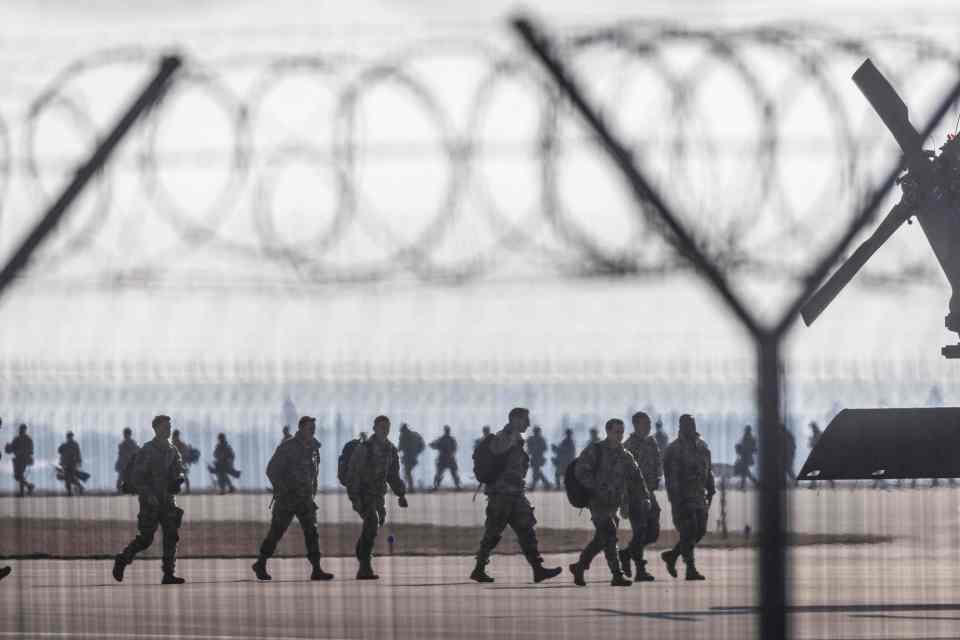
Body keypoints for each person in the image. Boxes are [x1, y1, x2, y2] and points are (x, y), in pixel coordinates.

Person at [470, 408, 562, 584]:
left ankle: (538, 569)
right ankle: (479, 568)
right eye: (525, 420)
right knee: (493, 533)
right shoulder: (504, 436)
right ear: (514, 419)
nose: (528, 424)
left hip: (515, 493)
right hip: (501, 494)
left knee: (526, 529)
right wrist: (510, 437)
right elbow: (497, 450)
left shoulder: (517, 439)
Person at [252, 416, 333, 582]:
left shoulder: (313, 447)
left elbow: (312, 472)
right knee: (276, 532)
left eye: (314, 427)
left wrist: (312, 490)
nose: (313, 430)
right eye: (310, 427)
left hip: (305, 499)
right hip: (287, 500)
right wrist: (282, 489)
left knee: (312, 532)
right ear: (301, 428)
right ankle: (261, 563)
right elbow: (271, 470)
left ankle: (316, 569)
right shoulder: (288, 447)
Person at [568, 418, 647, 587]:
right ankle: (617, 574)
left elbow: (637, 478)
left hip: (613, 504)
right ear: (608, 432)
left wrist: (645, 497)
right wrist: (596, 488)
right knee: (610, 534)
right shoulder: (595, 450)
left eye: (621, 432)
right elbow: (580, 470)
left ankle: (579, 567)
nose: (619, 435)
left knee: (602, 539)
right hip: (597, 502)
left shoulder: (625, 455)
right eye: (616, 432)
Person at [113, 415, 186, 585]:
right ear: (156, 429)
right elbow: (138, 478)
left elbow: (179, 469)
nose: (168, 429)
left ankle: (169, 573)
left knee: (171, 536)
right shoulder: (147, 450)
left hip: (167, 500)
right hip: (150, 502)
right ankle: (122, 560)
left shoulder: (172, 450)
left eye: (169, 426)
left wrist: (178, 479)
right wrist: (148, 495)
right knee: (146, 539)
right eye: (164, 426)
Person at [344, 415, 408, 579]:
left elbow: (393, 475)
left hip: (378, 496)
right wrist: (355, 498)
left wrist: (401, 494)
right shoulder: (364, 448)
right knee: (371, 522)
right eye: (381, 427)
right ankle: (364, 567)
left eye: (387, 428)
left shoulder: (391, 450)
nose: (384, 430)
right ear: (375, 429)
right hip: (363, 495)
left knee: (372, 527)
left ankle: (361, 555)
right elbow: (352, 474)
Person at [661, 414, 715, 580]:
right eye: (686, 424)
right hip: (683, 497)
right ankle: (690, 568)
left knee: (699, 531)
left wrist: (711, 488)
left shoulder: (702, 446)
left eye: (692, 424)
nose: (690, 427)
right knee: (689, 530)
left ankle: (673, 555)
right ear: (680, 427)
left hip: (699, 495)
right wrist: (676, 500)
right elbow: (671, 478)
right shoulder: (674, 449)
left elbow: (708, 469)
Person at [620, 411, 662, 581]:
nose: (649, 427)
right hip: (634, 495)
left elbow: (658, 462)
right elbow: (622, 475)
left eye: (649, 424)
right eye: (646, 424)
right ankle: (640, 570)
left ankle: (626, 554)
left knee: (653, 533)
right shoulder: (629, 446)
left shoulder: (651, 442)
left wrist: (658, 477)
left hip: (649, 493)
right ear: (636, 425)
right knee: (640, 531)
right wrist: (624, 502)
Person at [5, 423, 35, 496]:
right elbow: (11, 448)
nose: (22, 430)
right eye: (22, 428)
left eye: (23, 428)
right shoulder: (19, 438)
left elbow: (31, 451)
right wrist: (9, 448)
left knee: (19, 475)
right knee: (18, 476)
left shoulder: (25, 439)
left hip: (23, 459)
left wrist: (21, 451)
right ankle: (28, 487)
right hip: (18, 459)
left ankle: (24, 490)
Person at [430, 425, 461, 490]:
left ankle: (457, 486)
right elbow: (433, 445)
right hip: (446, 458)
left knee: (451, 473)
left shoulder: (444, 439)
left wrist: (435, 446)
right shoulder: (446, 439)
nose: (447, 431)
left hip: (446, 458)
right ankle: (436, 486)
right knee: (441, 473)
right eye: (447, 430)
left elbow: (455, 448)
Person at [397, 423, 425, 493]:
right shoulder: (415, 435)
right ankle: (408, 487)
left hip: (407, 457)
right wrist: (416, 452)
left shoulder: (403, 436)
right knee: (407, 472)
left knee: (407, 472)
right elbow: (422, 446)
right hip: (413, 457)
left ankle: (410, 488)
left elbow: (399, 448)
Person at [57, 431, 87, 496]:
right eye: (69, 436)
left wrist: (79, 462)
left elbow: (78, 453)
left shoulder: (68, 444)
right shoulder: (68, 444)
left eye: (70, 436)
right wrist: (79, 461)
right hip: (66, 464)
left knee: (70, 478)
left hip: (71, 464)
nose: (69, 438)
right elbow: (59, 451)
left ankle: (74, 490)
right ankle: (71, 491)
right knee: (68, 478)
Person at [806, 422, 834, 489]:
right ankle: (813, 485)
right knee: (812, 471)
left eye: (812, 427)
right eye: (812, 428)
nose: (812, 429)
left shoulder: (820, 434)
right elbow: (810, 445)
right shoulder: (815, 435)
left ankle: (831, 482)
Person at [171, 430, 198, 494]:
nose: (173, 437)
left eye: (174, 435)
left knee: (183, 476)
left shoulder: (179, 444)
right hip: (177, 463)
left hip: (181, 463)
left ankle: (187, 490)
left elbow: (184, 454)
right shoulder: (175, 443)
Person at [115, 428, 140, 493]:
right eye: (125, 434)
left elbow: (137, 451)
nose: (125, 435)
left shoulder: (132, 443)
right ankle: (121, 490)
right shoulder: (123, 444)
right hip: (124, 464)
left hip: (130, 464)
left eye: (126, 434)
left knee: (129, 477)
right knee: (122, 477)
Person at [526, 425, 551, 490]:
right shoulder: (532, 439)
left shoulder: (541, 439)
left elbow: (545, 448)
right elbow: (529, 448)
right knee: (537, 472)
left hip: (538, 457)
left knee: (536, 472)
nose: (536, 432)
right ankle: (546, 484)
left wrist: (537, 448)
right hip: (534, 457)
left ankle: (534, 486)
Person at [734, 425, 758, 490]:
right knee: (745, 472)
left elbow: (742, 447)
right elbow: (755, 449)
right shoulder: (751, 438)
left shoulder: (747, 438)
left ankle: (745, 485)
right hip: (746, 457)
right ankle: (754, 483)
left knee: (745, 472)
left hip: (745, 457)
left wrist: (739, 449)